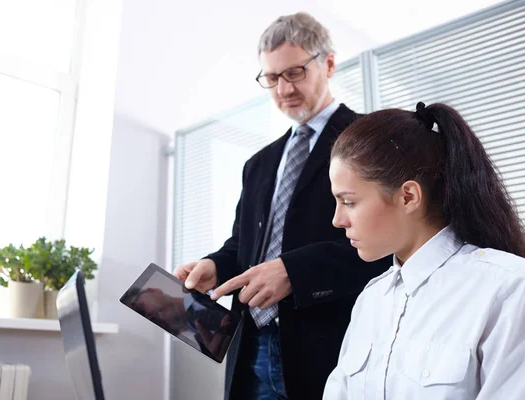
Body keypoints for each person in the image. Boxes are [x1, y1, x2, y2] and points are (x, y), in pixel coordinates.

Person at [174, 12, 391, 400]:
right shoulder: (258, 163)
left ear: (327, 63)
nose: (283, 89)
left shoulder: (368, 140)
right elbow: (243, 245)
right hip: (250, 350)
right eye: (272, 78)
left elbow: (388, 245)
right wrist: (214, 265)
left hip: (331, 347)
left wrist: (295, 272)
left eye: (293, 73)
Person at [323, 102, 525, 399]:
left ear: (408, 197)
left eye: (349, 202)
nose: (337, 220)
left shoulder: (508, 290)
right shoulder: (371, 300)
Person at [122, 287, 233, 361]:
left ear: (153, 290)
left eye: (140, 310)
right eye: (145, 324)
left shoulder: (207, 288)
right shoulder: (208, 350)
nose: (148, 318)